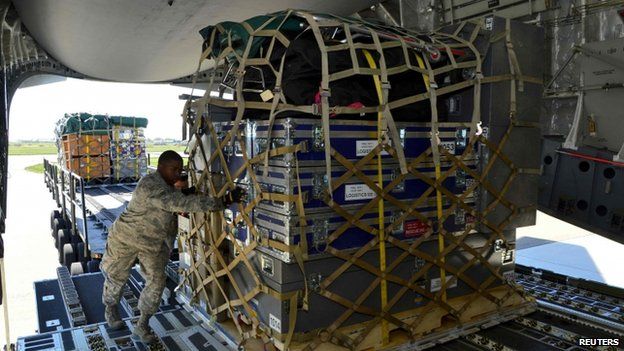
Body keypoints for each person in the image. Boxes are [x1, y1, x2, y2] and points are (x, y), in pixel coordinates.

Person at [100, 150, 244, 343]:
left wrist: (186, 191)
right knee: (117, 277)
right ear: (161, 167)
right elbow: (173, 202)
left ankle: (142, 325)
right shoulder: (150, 184)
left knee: (157, 282)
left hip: (152, 244)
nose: (178, 174)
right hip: (126, 239)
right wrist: (223, 201)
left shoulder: (165, 185)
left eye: (180, 170)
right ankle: (110, 308)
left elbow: (172, 195)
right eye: (174, 169)